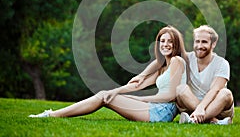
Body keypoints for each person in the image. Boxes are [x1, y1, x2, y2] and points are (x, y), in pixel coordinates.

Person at [29, 26, 188, 123]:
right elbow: (138, 84)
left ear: (176, 44)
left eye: (170, 41)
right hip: (155, 108)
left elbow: (169, 95)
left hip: (162, 112)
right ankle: (52, 114)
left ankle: (51, 115)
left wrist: (137, 98)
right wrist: (116, 91)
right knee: (106, 95)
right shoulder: (162, 66)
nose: (165, 44)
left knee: (106, 98)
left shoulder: (177, 61)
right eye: (162, 41)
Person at [129, 25, 234, 125]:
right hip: (190, 105)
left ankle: (198, 119)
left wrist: (201, 108)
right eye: (197, 41)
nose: (199, 46)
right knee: (180, 89)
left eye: (204, 42)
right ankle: (212, 121)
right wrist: (142, 75)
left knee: (226, 93)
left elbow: (214, 90)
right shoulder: (186, 58)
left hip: (217, 108)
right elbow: (160, 61)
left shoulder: (222, 63)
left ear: (213, 43)